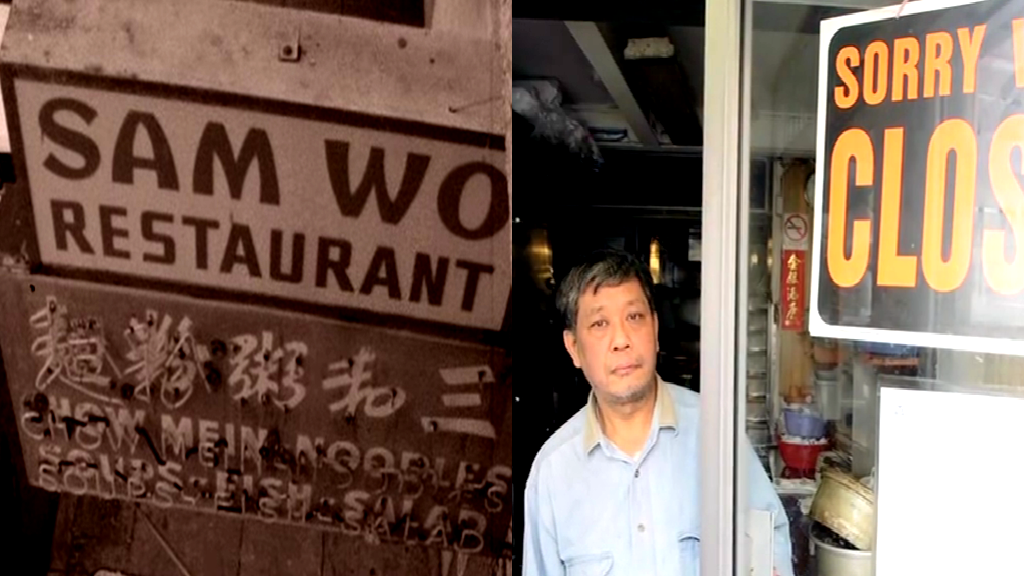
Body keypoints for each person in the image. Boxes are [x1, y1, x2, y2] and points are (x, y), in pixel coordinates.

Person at [523, 248, 793, 576]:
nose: (621, 339)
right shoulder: (553, 472)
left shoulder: (715, 434)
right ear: (574, 348)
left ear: (655, 326)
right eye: (599, 323)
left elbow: (769, 545)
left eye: (634, 317)